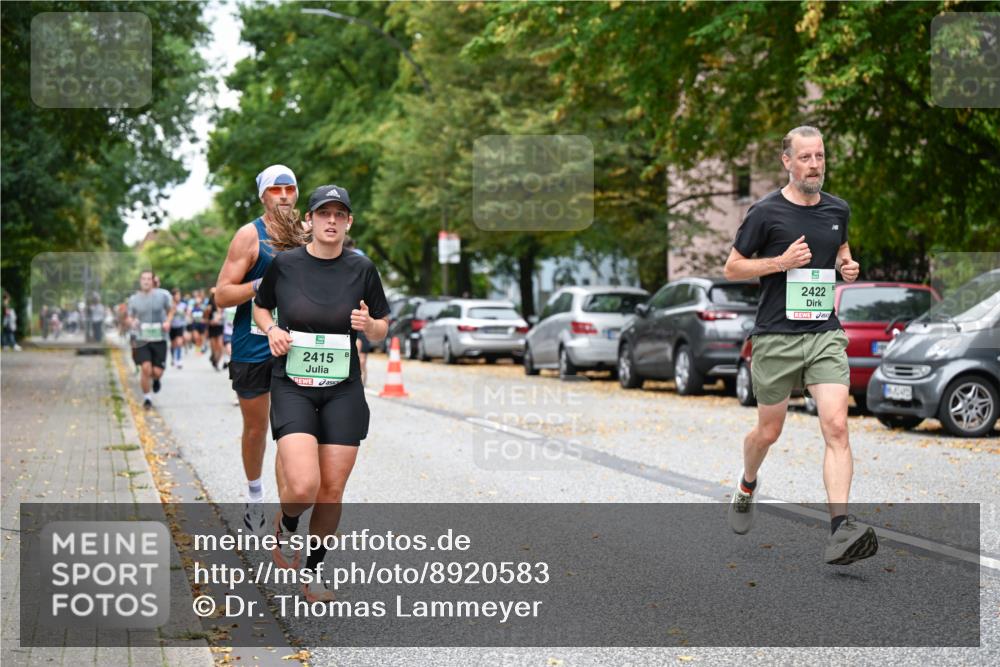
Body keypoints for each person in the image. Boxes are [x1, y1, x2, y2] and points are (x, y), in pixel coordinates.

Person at [723, 125, 873, 565]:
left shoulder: (838, 209)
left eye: (820, 156)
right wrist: (780, 262)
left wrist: (846, 265)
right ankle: (747, 482)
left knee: (837, 426)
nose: (814, 165)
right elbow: (732, 267)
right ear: (787, 161)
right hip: (776, 336)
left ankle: (840, 530)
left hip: (824, 333)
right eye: (805, 157)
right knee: (769, 432)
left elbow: (840, 248)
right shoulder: (765, 212)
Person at [253, 184, 389, 602]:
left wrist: (370, 326)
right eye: (324, 214)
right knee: (302, 488)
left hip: (343, 388)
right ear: (309, 220)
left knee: (331, 490)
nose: (332, 221)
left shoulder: (362, 268)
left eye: (339, 214)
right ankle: (287, 521)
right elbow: (260, 306)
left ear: (349, 222)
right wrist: (271, 330)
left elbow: (382, 326)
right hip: (293, 384)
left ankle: (312, 573)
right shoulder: (286, 265)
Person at [215, 164, 305, 536]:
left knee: (292, 430)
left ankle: (288, 512)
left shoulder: (306, 233)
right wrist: (260, 285)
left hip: (295, 346)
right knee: (256, 429)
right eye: (275, 189)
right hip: (252, 345)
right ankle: (255, 496)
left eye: (289, 188)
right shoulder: (249, 236)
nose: (283, 195)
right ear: (263, 195)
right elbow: (222, 294)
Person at [127, 270, 175, 409]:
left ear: (153, 281)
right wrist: (132, 322)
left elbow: (171, 309)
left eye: (149, 279)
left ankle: (156, 379)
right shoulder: (134, 299)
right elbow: (130, 316)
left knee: (156, 372)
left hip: (159, 337)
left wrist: (168, 322)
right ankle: (147, 398)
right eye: (144, 279)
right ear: (140, 281)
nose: (146, 281)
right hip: (142, 338)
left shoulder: (163, 295)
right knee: (145, 368)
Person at [344, 235, 372, 384]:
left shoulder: (359, 260)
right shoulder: (362, 259)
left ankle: (359, 385)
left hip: (359, 315)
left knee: (360, 358)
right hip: (355, 316)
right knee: (360, 359)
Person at [205, 287, 225, 370]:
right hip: (212, 328)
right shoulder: (210, 306)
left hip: (220, 327)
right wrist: (210, 321)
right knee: (214, 347)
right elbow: (205, 318)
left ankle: (216, 361)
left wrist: (220, 317)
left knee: (220, 346)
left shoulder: (222, 303)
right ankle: (213, 357)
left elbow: (224, 314)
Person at [169, 289, 188, 368]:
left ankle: (179, 360)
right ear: (173, 296)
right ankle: (173, 358)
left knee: (179, 342)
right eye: (177, 295)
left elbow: (187, 314)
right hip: (172, 326)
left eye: (179, 295)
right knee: (173, 344)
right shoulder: (170, 305)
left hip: (180, 326)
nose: (178, 297)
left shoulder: (183, 305)